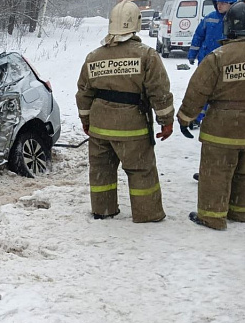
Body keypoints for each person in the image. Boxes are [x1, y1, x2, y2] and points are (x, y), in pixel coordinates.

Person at [76, 0, 174, 223]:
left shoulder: (94, 57)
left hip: (100, 128)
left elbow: (83, 93)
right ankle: (147, 213)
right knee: (141, 172)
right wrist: (165, 120)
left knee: (101, 172)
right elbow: (159, 92)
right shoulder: (147, 56)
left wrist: (86, 120)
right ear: (136, 24)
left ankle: (103, 209)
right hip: (133, 128)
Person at [177, 1, 245, 230]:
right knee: (243, 173)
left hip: (222, 128)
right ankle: (240, 211)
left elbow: (198, 91)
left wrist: (185, 118)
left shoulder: (218, 57)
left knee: (216, 172)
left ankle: (212, 217)